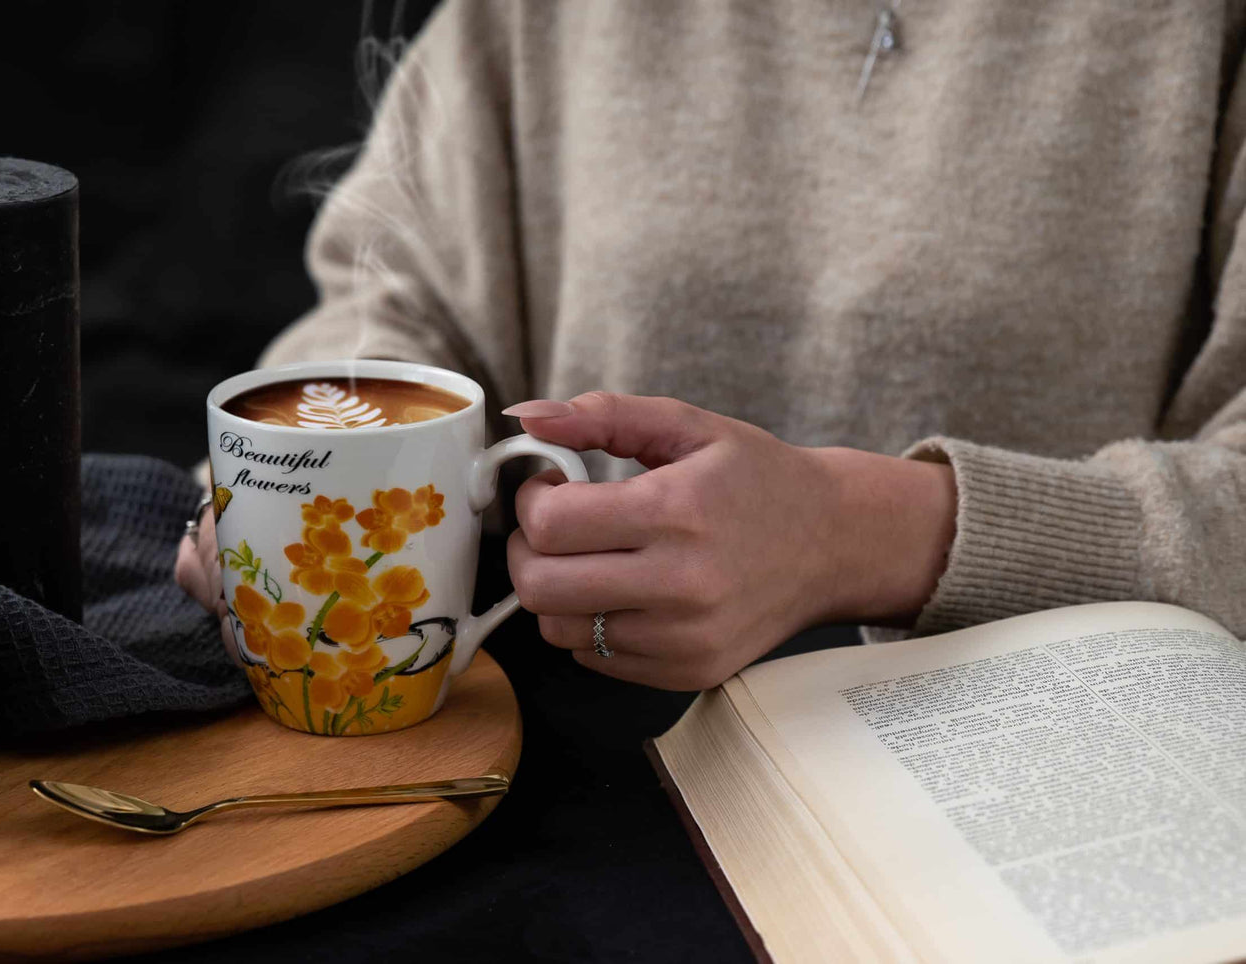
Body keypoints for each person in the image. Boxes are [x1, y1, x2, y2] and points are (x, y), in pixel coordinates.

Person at [178, 0, 1246, 691]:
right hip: (559, 762)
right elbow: (389, 305)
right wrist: (277, 497)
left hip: (1054, 782)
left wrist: (852, 537)